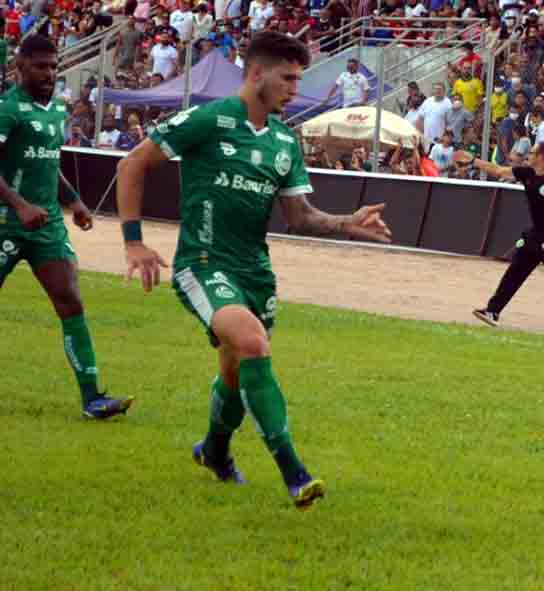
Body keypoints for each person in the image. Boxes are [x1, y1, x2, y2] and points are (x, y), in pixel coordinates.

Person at [115, 31, 391, 508]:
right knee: (251, 344)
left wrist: (347, 223)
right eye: (287, 78)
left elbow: (299, 216)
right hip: (203, 263)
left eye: (298, 79)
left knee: (236, 369)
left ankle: (215, 452)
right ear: (256, 73)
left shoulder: (285, 140)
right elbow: (133, 164)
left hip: (255, 273)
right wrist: (134, 242)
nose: (293, 88)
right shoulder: (210, 118)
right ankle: (295, 474)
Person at [0, 35, 132, 420]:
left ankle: (92, 399)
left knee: (70, 301)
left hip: (46, 227)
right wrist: (21, 205)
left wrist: (73, 201)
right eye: (40, 66)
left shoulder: (56, 112)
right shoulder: (8, 110)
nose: (49, 73)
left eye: (54, 66)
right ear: (19, 67)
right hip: (7, 223)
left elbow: (47, 163)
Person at [455, 143, 544, 332]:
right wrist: (474, 161)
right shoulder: (527, 174)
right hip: (534, 235)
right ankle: (492, 311)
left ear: (541, 156)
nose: (529, 155)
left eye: (532, 153)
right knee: (514, 273)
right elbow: (500, 171)